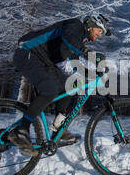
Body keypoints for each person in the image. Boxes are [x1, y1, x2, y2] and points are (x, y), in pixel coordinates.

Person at [8, 14, 111, 156]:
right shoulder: (75, 26)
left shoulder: (78, 40)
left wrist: (93, 74)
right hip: (28, 53)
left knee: (69, 86)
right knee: (50, 90)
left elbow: (76, 64)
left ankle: (58, 128)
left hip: (44, 62)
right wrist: (91, 55)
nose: (100, 35)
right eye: (100, 31)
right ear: (91, 25)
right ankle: (20, 131)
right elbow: (70, 42)